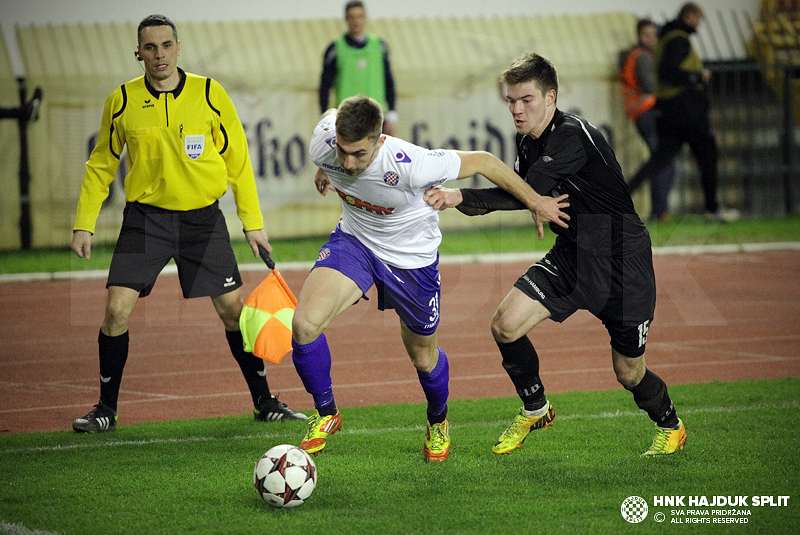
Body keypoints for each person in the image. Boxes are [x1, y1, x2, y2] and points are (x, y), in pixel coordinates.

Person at [424, 53, 687, 456]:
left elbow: (520, 193)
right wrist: (486, 199)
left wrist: (459, 195)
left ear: (551, 97)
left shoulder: (571, 135)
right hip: (572, 253)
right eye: (510, 100)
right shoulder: (527, 139)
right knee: (505, 324)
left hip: (621, 258)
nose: (515, 109)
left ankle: (671, 426)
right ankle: (536, 408)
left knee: (628, 371)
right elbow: (527, 194)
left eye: (525, 99)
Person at [293, 95, 569, 462]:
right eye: (341, 152)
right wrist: (331, 167)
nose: (347, 161)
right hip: (356, 241)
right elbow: (332, 117)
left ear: (380, 141)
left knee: (423, 357)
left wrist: (535, 201)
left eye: (358, 154)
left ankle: (438, 419)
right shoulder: (325, 142)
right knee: (303, 325)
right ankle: (327, 412)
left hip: (412, 261)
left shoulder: (412, 164)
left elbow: (484, 162)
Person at [69, 14, 305, 433]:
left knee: (233, 311)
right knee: (115, 310)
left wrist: (252, 222)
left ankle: (264, 401)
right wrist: (84, 223)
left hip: (202, 221)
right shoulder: (121, 101)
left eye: (165, 45)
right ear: (138, 53)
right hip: (145, 220)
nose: (159, 55)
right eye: (149, 47)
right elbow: (100, 165)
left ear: (178, 48)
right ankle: (106, 408)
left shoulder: (210, 94)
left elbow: (239, 162)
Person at [627, 2, 737, 222]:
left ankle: (620, 196)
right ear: (690, 17)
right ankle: (712, 208)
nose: (699, 24)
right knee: (707, 153)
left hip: (665, 111)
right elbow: (669, 72)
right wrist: (696, 76)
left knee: (660, 160)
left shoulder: (665, 39)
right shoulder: (678, 40)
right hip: (685, 111)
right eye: (698, 18)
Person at [619, 19, 677, 222]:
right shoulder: (642, 57)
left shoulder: (644, 56)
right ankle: (659, 212)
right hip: (648, 112)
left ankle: (625, 199)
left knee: (659, 162)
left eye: (654, 34)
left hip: (645, 113)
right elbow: (650, 86)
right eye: (647, 34)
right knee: (664, 162)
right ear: (639, 36)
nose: (651, 38)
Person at [319, 1, 398, 136]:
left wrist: (392, 112)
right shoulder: (336, 49)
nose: (356, 21)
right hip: (347, 117)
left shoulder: (379, 46)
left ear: (365, 17)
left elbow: (388, 81)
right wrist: (325, 116)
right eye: (352, 17)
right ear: (346, 19)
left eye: (360, 16)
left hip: (376, 116)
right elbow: (325, 85)